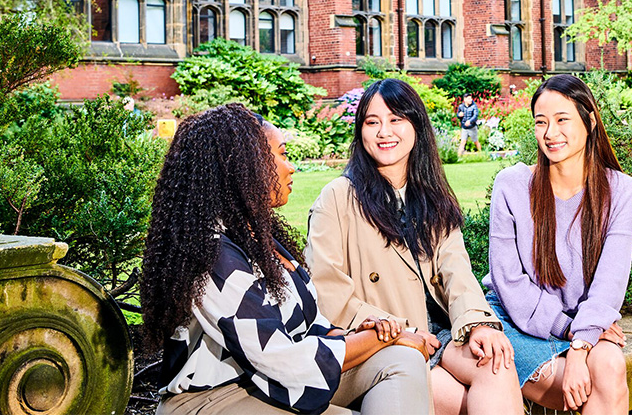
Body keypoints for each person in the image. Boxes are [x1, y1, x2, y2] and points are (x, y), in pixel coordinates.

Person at [140, 103, 430, 415]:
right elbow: (280, 358)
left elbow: (311, 328)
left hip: (268, 385)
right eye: (281, 154)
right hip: (215, 400)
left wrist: (362, 335)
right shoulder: (212, 255)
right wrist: (382, 338)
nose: (290, 167)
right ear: (242, 166)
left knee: (402, 359)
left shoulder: (259, 239)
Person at [307, 79, 522, 415]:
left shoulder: (431, 195)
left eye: (396, 119)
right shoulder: (338, 197)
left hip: (438, 332)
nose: (384, 132)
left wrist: (478, 323)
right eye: (372, 122)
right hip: (381, 343)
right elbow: (327, 292)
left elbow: (457, 271)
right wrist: (399, 329)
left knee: (497, 363)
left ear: (416, 125)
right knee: (454, 398)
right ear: (360, 131)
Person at [484, 74, 632, 414]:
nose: (550, 133)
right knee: (583, 384)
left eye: (562, 120)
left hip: (580, 321)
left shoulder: (621, 190)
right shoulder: (512, 185)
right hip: (513, 318)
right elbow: (508, 281)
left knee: (610, 368)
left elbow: (610, 281)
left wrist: (582, 344)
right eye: (541, 122)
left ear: (590, 121)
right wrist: (572, 331)